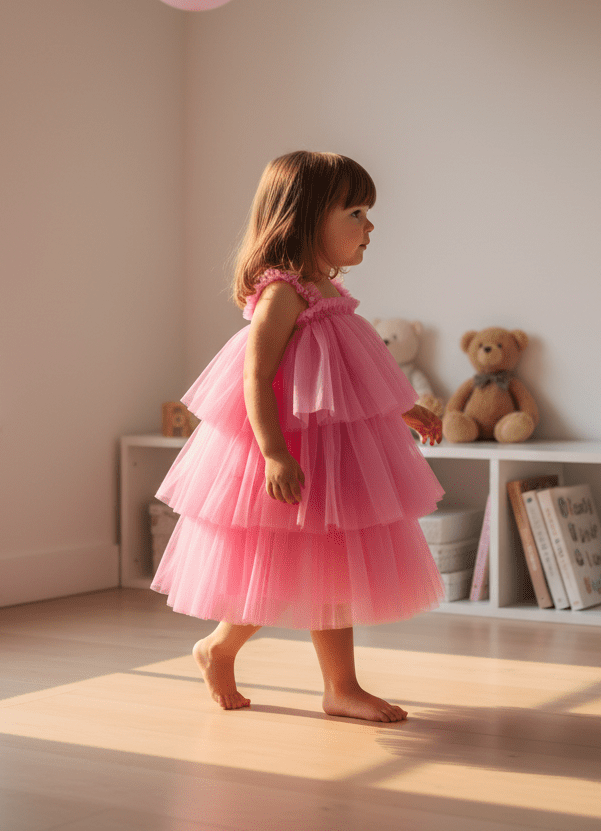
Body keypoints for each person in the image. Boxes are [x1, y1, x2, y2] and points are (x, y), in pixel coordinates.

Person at [151, 151, 446, 723]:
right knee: (275, 562)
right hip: (293, 452)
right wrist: (273, 453)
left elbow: (354, 378)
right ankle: (220, 647)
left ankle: (340, 687)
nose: (370, 227)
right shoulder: (282, 294)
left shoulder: (330, 293)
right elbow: (254, 378)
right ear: (307, 219)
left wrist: (405, 412)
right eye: (355, 213)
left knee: (332, 560)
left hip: (335, 454)